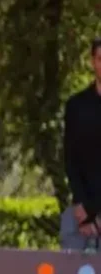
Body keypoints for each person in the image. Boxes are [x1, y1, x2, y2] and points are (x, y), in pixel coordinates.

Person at [61, 37, 101, 251]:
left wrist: (96, 214)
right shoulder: (76, 106)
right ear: (93, 62)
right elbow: (70, 158)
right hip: (80, 215)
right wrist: (81, 208)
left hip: (92, 212)